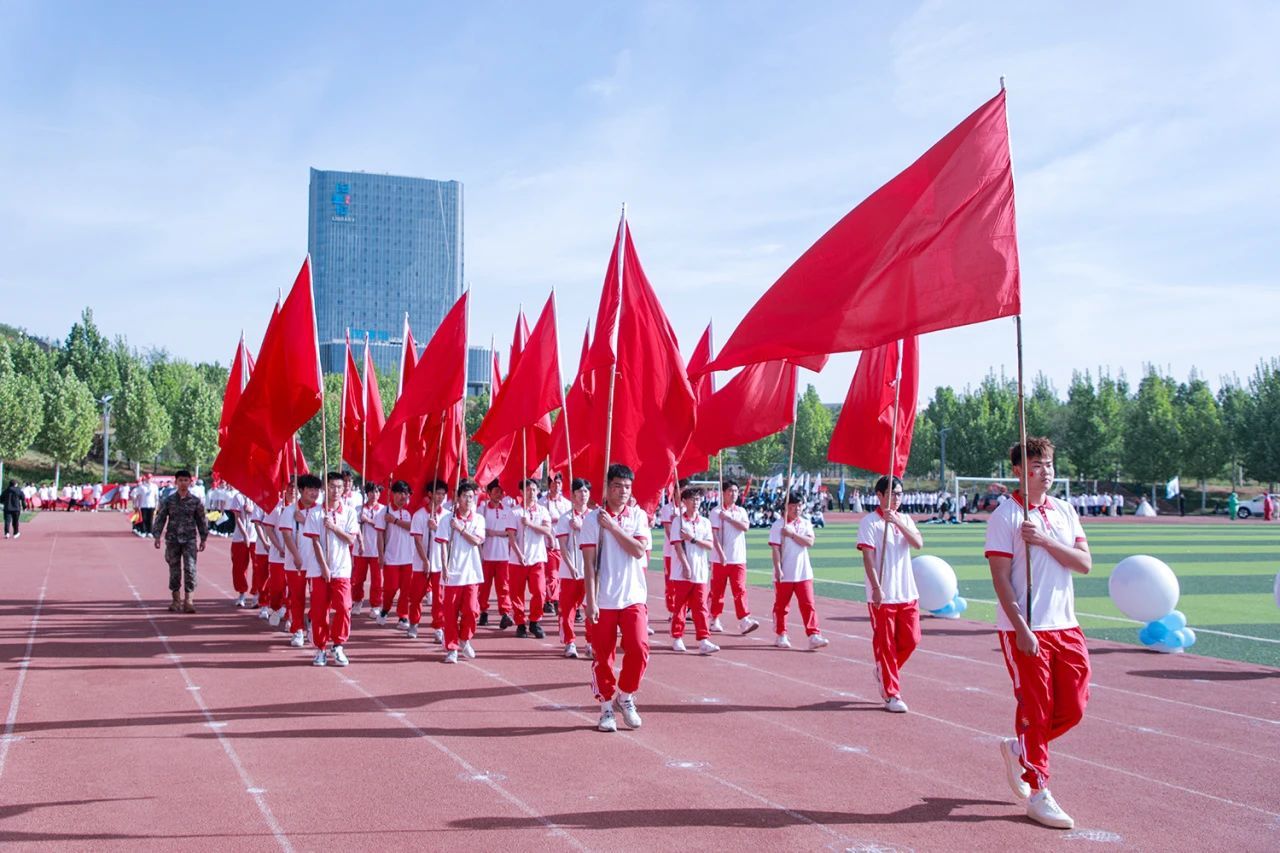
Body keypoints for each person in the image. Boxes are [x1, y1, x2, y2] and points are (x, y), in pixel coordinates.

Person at [985, 437, 1091, 830]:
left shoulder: (1065, 510)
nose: (1045, 472)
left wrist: (1044, 540)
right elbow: (1000, 579)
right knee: (1037, 709)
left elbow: (1084, 562)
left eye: (1048, 464)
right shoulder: (1006, 516)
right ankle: (1038, 790)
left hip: (1066, 624)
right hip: (1028, 628)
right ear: (1018, 471)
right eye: (1036, 465)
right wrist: (1021, 628)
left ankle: (1020, 748)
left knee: (1074, 706)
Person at [582, 464, 652, 733]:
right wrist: (591, 600)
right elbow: (589, 564)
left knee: (639, 648)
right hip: (604, 598)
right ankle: (605, 708)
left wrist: (613, 527)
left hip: (633, 595)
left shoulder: (638, 516)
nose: (623, 491)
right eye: (617, 486)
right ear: (607, 487)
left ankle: (625, 695)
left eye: (627, 487)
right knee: (603, 656)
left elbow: (638, 550)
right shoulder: (592, 520)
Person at [857, 476, 924, 713]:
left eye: (899, 494)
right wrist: (876, 587)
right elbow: (868, 558)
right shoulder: (869, 523)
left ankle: (883, 671)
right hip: (883, 595)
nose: (897, 498)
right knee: (885, 645)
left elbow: (918, 543)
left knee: (912, 640)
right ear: (880, 495)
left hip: (906, 592)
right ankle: (891, 693)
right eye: (892, 493)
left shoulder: (904, 519)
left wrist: (897, 522)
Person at [302, 473, 359, 666]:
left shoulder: (349, 512)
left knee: (343, 607)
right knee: (319, 610)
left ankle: (338, 645)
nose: (336, 491)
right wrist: (324, 567)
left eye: (339, 487)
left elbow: (350, 539)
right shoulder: (314, 513)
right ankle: (320, 649)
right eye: (332, 486)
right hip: (319, 570)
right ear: (325, 487)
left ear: (344, 489)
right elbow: (315, 542)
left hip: (341, 569)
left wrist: (333, 527)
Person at [769, 491, 829, 651]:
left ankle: (813, 635)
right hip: (785, 572)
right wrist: (778, 568)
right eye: (793, 505)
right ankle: (781, 634)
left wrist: (792, 534)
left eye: (799, 505)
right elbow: (775, 549)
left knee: (808, 604)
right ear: (786, 507)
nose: (797, 509)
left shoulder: (805, 523)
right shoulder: (778, 525)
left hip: (804, 572)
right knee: (782, 606)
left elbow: (809, 542)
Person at [437, 479, 486, 663]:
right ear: (457, 499)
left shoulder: (478, 519)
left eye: (471, 497)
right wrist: (444, 566)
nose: (468, 500)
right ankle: (452, 648)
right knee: (450, 613)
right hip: (453, 572)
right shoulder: (446, 520)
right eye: (465, 496)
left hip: (472, 572)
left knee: (472, 610)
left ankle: (465, 639)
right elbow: (443, 544)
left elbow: (476, 541)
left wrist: (460, 528)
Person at [669, 486, 719, 655]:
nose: (696, 502)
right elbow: (677, 545)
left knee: (701, 606)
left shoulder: (705, 522)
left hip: (700, 571)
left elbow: (709, 545)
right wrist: (685, 565)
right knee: (680, 606)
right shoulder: (678, 522)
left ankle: (704, 639)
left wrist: (692, 539)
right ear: (684, 501)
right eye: (692, 499)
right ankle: (677, 637)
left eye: (698, 499)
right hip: (681, 572)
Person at [151, 470, 208, 613]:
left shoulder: (195, 501)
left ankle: (189, 601)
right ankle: (176, 600)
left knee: (190, 568)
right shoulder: (168, 500)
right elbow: (160, 518)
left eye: (186, 480)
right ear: (176, 482)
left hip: (189, 540)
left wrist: (203, 538)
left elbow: (201, 521)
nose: (183, 483)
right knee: (174, 570)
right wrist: (157, 536)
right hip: (173, 540)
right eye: (180, 480)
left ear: (190, 482)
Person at [709, 479, 759, 635]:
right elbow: (714, 535)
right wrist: (721, 554)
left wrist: (729, 518)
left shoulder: (741, 511)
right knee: (718, 591)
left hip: (738, 558)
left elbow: (745, 527)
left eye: (736, 491)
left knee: (740, 589)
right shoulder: (716, 512)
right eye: (730, 491)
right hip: (720, 559)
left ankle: (744, 620)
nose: (733, 494)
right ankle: (714, 618)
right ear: (723, 493)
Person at [506, 478, 554, 639]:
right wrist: (519, 554)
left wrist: (530, 524)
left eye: (534, 489)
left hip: (537, 558)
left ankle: (535, 621)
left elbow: (547, 530)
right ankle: (520, 623)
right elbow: (511, 537)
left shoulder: (542, 511)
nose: (531, 493)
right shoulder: (514, 512)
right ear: (521, 492)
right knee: (517, 593)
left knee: (539, 592)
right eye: (528, 489)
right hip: (517, 560)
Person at [555, 477, 593, 659]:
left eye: (586, 491)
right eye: (579, 491)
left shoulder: (595, 517)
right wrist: (571, 567)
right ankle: (569, 642)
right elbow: (563, 546)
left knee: (591, 606)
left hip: (590, 571)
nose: (583, 495)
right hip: (570, 571)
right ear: (573, 494)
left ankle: (591, 642)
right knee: (568, 608)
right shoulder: (565, 518)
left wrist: (581, 527)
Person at [280, 477, 318, 648]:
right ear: (301, 490)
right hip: (296, 563)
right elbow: (287, 535)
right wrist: (296, 556)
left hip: (317, 563)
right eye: (310, 489)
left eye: (316, 490)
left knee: (319, 598)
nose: (314, 493)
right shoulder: (290, 511)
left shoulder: (320, 510)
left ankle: (311, 620)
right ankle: (298, 630)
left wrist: (305, 521)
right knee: (297, 598)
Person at [375, 480, 414, 627]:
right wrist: (380, 555)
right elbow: (380, 535)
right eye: (399, 493)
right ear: (392, 494)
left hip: (408, 558)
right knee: (390, 588)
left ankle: (403, 616)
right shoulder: (384, 512)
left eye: (405, 493)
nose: (403, 496)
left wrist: (395, 521)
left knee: (406, 590)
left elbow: (413, 527)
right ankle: (385, 609)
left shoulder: (410, 511)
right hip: (391, 557)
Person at [261, 480, 296, 627]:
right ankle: (275, 608)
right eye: (290, 487)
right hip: (278, 556)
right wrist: (279, 547)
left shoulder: (301, 509)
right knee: (277, 587)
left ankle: (290, 617)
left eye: (296, 488)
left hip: (295, 557)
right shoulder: (277, 507)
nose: (293, 490)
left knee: (293, 589)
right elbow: (268, 529)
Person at [479, 480, 514, 628]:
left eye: (501, 491)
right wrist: (489, 533)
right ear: (489, 493)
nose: (499, 494)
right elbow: (479, 531)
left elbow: (510, 532)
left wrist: (495, 533)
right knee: (484, 587)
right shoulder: (482, 510)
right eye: (496, 491)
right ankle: (483, 611)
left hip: (503, 555)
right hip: (486, 555)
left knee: (504, 586)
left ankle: (505, 613)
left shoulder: (507, 510)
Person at [541, 473, 571, 616]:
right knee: (552, 575)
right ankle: (553, 600)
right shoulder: (542, 502)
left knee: (561, 575)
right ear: (549, 485)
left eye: (558, 483)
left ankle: (552, 598)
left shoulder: (567, 503)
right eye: (553, 483)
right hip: (548, 544)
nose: (556, 486)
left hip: (563, 545)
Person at [352, 482, 384, 615]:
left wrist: (368, 520)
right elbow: (354, 527)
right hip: (361, 550)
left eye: (377, 492)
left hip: (377, 550)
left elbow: (383, 527)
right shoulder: (358, 509)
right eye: (371, 492)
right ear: (367, 493)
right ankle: (357, 601)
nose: (374, 495)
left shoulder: (383, 510)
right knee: (358, 579)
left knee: (377, 580)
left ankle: (375, 605)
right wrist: (361, 520)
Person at [227, 487, 256, 607]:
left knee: (258, 567)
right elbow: (237, 518)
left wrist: (252, 511)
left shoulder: (259, 497)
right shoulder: (238, 497)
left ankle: (256, 594)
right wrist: (245, 535)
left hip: (256, 538)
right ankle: (241, 593)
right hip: (240, 538)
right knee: (239, 566)